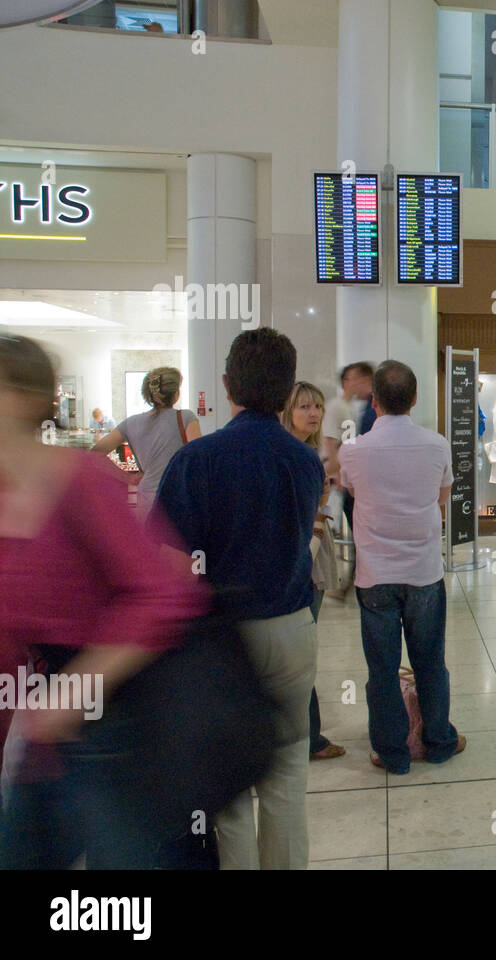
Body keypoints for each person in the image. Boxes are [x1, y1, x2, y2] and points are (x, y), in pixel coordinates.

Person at [0, 335, 205, 869]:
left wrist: (75, 690)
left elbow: (163, 595)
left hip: (105, 733)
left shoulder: (95, 465)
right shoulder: (184, 422)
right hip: (38, 745)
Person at [153, 328, 324, 870]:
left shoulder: (196, 461)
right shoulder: (303, 461)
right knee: (288, 775)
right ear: (288, 389)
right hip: (294, 626)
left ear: (226, 384)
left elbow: (171, 567)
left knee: (227, 787)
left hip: (222, 638)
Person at [337, 360, 465, 774]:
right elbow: (442, 497)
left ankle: (391, 753)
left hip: (375, 573)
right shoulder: (438, 444)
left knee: (382, 669)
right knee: (430, 663)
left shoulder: (352, 451)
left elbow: (352, 492)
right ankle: (440, 742)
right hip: (424, 570)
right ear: (415, 399)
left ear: (374, 402)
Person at [281, 381, 346, 762]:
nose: (313, 413)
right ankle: (308, 738)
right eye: (304, 406)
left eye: (317, 406)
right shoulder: (297, 456)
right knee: (299, 653)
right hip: (302, 558)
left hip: (310, 556)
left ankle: (305, 735)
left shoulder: (309, 453)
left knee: (301, 650)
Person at [93, 366, 200, 514]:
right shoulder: (186, 418)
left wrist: (125, 477)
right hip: (178, 496)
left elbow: (94, 454)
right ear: (175, 394)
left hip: (145, 499)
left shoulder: (130, 423)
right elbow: (199, 459)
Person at [322, 361, 373, 538]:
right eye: (351, 379)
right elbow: (330, 441)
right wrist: (338, 473)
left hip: (345, 473)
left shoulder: (350, 408)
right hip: (337, 472)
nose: (355, 383)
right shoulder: (336, 406)